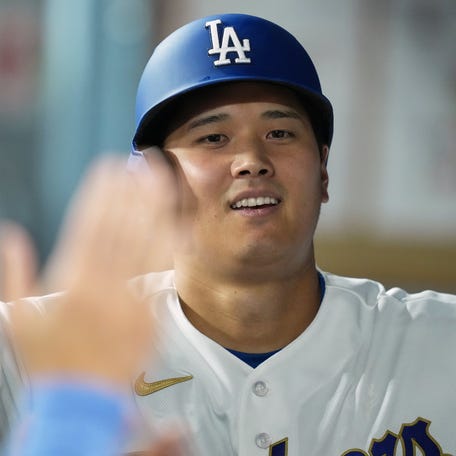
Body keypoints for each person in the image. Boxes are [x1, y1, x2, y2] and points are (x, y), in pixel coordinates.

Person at [1, 12, 456, 456]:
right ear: (156, 181)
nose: (252, 160)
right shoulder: (32, 350)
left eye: (279, 132)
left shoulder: (439, 342)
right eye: (213, 138)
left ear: (323, 171)